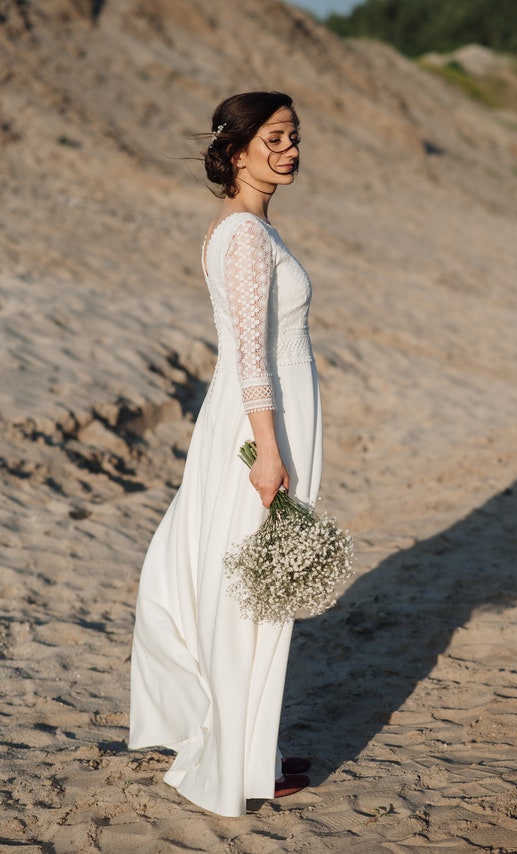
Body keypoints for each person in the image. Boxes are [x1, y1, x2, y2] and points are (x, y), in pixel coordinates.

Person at [129, 91, 322, 818]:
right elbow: (249, 357)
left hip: (267, 418)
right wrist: (267, 452)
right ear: (237, 151)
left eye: (295, 136)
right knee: (255, 592)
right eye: (275, 137)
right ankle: (237, 764)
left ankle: (255, 749)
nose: (290, 149)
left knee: (261, 586)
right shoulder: (243, 236)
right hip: (259, 425)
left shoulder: (254, 230)